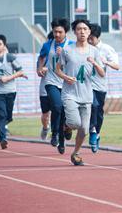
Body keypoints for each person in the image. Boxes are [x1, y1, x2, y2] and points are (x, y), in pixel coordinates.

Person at [55, 19, 105, 166]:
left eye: (85, 29)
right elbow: (57, 69)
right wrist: (65, 77)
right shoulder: (67, 50)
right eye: (79, 29)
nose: (82, 31)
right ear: (75, 32)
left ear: (89, 32)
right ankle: (67, 126)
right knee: (75, 123)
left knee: (84, 129)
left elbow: (102, 73)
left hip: (86, 95)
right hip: (70, 93)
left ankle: (76, 153)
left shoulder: (94, 51)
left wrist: (95, 63)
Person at [0, 35, 27, 149]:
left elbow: (20, 71)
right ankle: (2, 138)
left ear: (4, 46)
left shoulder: (10, 58)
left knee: (8, 116)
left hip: (10, 91)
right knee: (0, 115)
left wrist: (8, 78)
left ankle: (3, 127)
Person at [37, 18, 74, 153]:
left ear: (66, 32)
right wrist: (39, 69)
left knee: (64, 112)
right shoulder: (47, 45)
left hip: (67, 83)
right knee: (57, 107)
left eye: (60, 32)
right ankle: (54, 133)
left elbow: (75, 64)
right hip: (51, 81)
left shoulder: (72, 46)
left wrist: (63, 54)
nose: (57, 35)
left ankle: (62, 142)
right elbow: (41, 57)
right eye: (55, 32)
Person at [87, 23, 119, 153]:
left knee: (99, 112)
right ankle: (92, 131)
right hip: (87, 85)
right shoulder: (84, 48)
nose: (89, 41)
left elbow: (117, 66)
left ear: (97, 37)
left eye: (91, 39)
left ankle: (96, 133)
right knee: (92, 106)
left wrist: (106, 62)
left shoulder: (106, 49)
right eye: (88, 38)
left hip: (100, 86)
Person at [37, 31, 54, 140]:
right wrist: (41, 70)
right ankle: (45, 127)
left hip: (59, 86)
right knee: (45, 114)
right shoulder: (44, 54)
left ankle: (55, 131)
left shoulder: (65, 50)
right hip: (45, 87)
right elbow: (39, 71)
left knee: (57, 111)